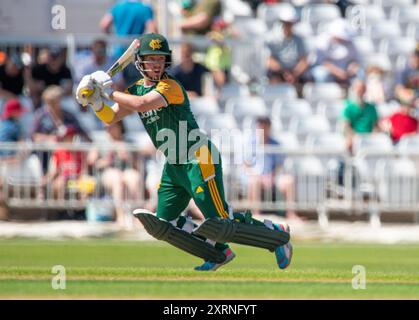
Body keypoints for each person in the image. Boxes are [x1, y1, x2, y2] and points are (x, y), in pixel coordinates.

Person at [75, 33, 292, 271]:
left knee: (220, 220)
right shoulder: (135, 90)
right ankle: (219, 252)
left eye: (160, 59)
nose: (156, 64)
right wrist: (95, 101)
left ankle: (277, 235)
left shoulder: (171, 86)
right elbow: (111, 117)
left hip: (198, 158)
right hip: (174, 163)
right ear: (140, 62)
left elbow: (142, 105)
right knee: (164, 223)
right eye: (151, 59)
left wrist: (108, 91)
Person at [87, 121, 142, 225]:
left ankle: (137, 215)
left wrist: (128, 157)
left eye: (111, 127)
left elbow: (138, 166)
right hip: (107, 173)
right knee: (117, 177)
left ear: (119, 127)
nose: (108, 130)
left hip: (125, 171)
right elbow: (91, 162)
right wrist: (105, 161)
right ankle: (120, 215)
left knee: (134, 178)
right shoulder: (100, 142)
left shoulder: (128, 142)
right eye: (106, 128)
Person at [244, 117, 299, 220]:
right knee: (254, 180)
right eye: (260, 126)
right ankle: (256, 214)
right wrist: (256, 175)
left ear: (269, 128)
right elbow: (245, 164)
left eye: (265, 126)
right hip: (255, 176)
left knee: (289, 181)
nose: (263, 129)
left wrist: (272, 176)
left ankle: (291, 214)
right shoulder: (250, 143)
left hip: (272, 176)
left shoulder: (276, 144)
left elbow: (279, 165)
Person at [32, 85, 91, 173]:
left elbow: (82, 132)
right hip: (48, 154)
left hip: (68, 155)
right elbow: (34, 136)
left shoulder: (69, 116)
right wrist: (50, 139)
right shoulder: (41, 116)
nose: (53, 104)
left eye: (55, 101)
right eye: (50, 102)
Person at [100, 0, 158, 86]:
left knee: (117, 87)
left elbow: (104, 25)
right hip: (135, 54)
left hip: (118, 55)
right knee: (136, 88)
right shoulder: (145, 8)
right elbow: (153, 32)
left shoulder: (117, 6)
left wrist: (113, 39)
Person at [265, 6, 309, 88]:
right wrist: (285, 73)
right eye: (286, 23)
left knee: (307, 82)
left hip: (295, 73)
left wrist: (294, 74)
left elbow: (304, 61)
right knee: (274, 80)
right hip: (279, 72)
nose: (288, 25)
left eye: (290, 23)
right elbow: (269, 61)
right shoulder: (272, 39)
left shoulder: (299, 40)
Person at [312, 19, 360, 85]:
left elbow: (354, 60)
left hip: (345, 71)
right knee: (321, 73)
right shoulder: (323, 41)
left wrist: (351, 69)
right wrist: (338, 73)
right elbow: (323, 62)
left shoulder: (350, 42)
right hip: (329, 71)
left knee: (360, 72)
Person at [341, 78, 379, 153]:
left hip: (369, 137)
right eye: (357, 88)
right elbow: (346, 126)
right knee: (349, 143)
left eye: (362, 89)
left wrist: (374, 135)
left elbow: (375, 126)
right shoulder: (348, 108)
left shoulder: (371, 108)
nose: (359, 91)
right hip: (355, 137)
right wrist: (355, 137)